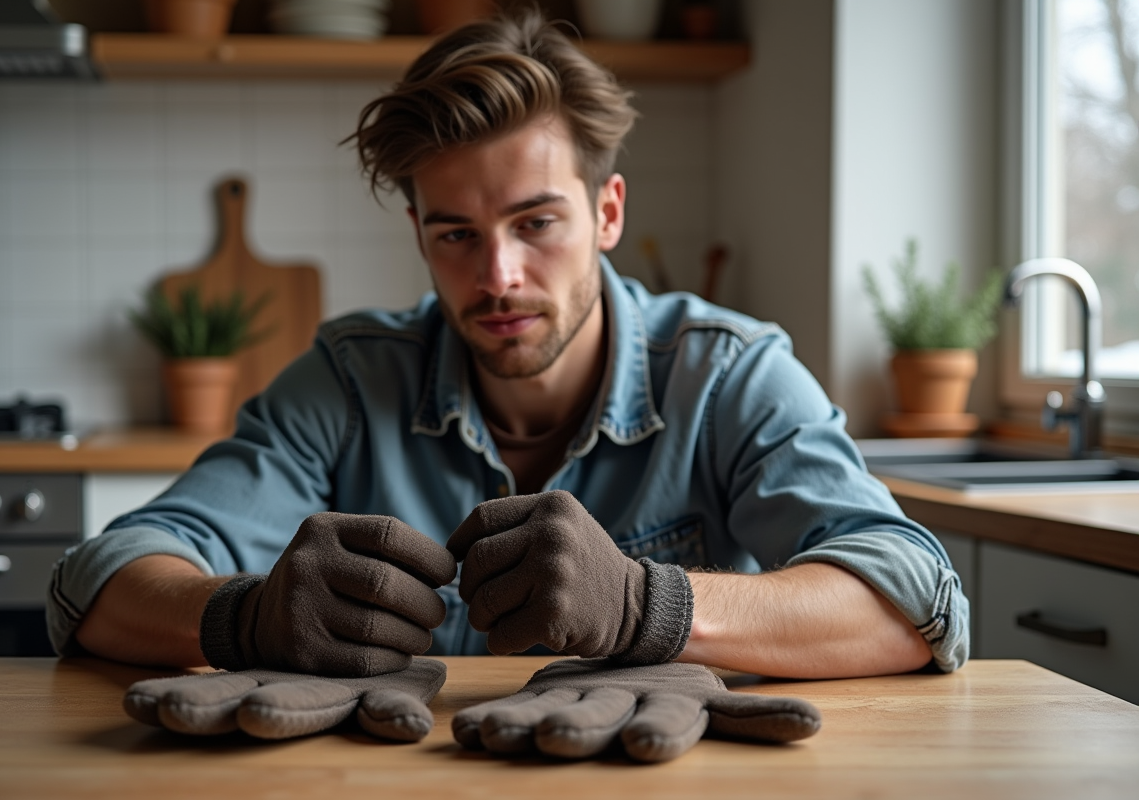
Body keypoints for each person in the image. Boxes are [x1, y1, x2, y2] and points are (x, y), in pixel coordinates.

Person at [47, 8, 967, 680]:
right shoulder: (347, 379)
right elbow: (102, 578)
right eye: (456, 234)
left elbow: (913, 599)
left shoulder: (729, 374)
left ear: (608, 212)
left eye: (536, 223)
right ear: (418, 234)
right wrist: (242, 618)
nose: (497, 276)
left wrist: (650, 607)